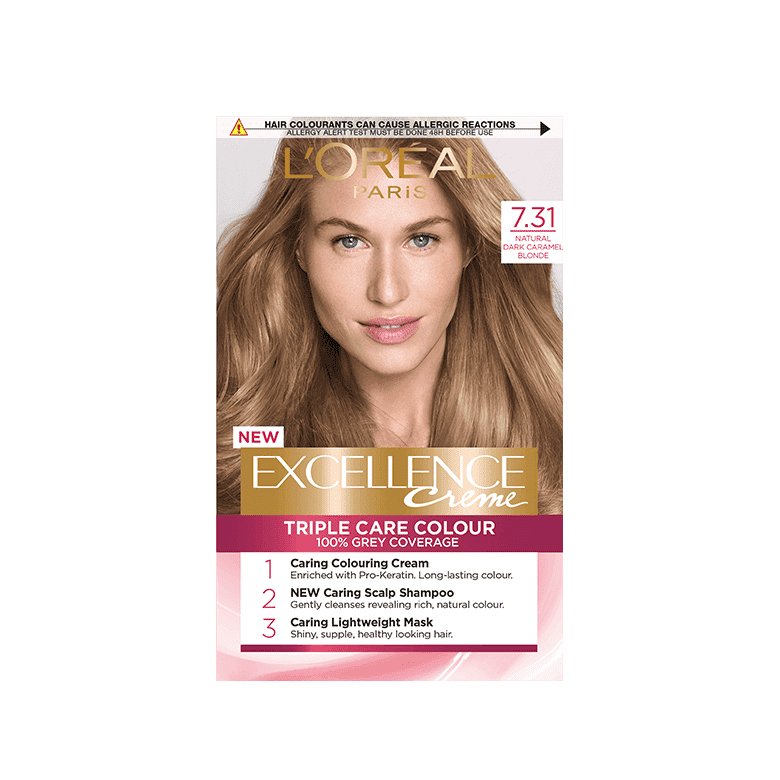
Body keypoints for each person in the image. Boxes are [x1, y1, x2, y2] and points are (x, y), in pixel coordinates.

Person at [217, 136, 562, 513]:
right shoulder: (242, 449)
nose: (387, 291)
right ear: (299, 249)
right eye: (349, 242)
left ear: (469, 244)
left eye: (421, 240)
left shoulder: (561, 433)